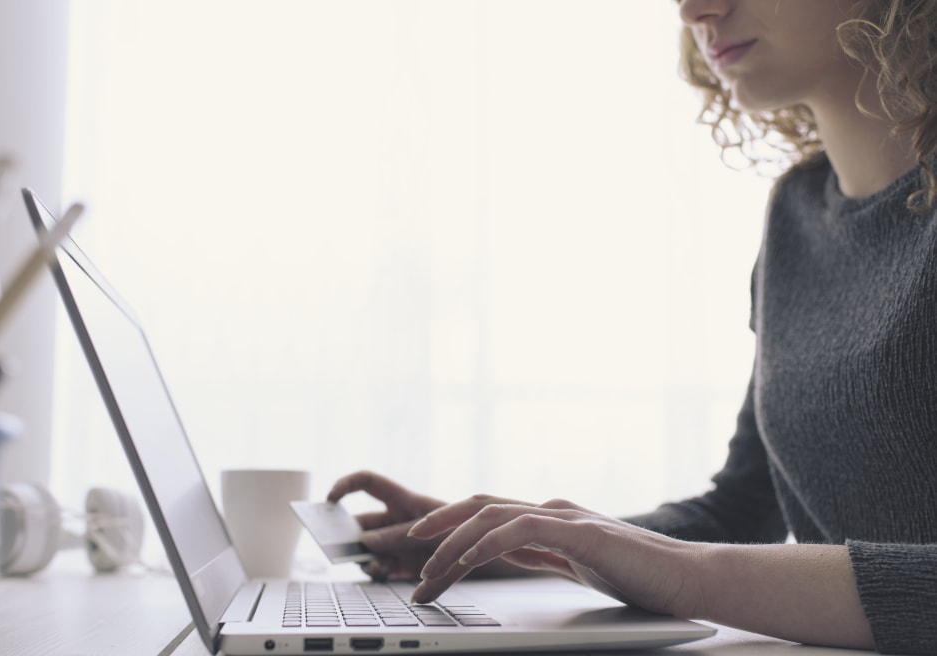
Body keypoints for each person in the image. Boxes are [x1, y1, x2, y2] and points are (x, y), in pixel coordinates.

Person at [327, 1, 937, 654]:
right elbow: (738, 511)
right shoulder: (796, 215)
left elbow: (707, 562)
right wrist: (516, 541)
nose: (694, 8)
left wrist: (688, 576)